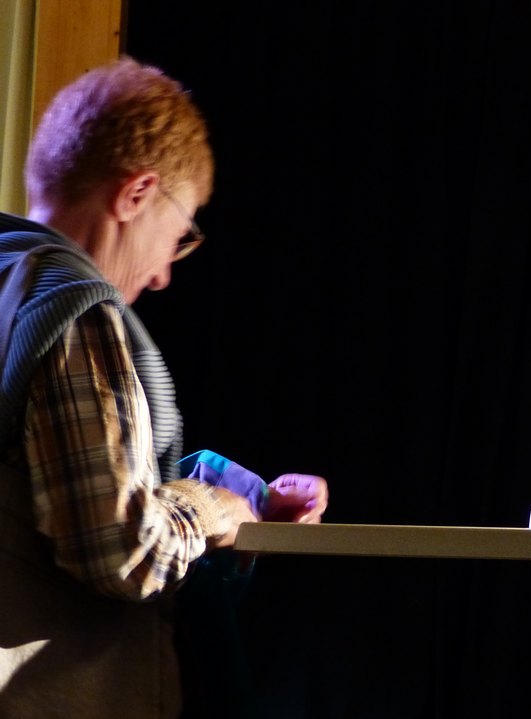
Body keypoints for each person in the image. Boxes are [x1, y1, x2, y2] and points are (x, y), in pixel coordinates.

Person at [0, 57, 329, 718]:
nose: (160, 277)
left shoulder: (12, 280)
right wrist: (218, 507)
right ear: (137, 194)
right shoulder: (78, 311)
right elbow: (125, 551)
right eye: (177, 238)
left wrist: (241, 497)